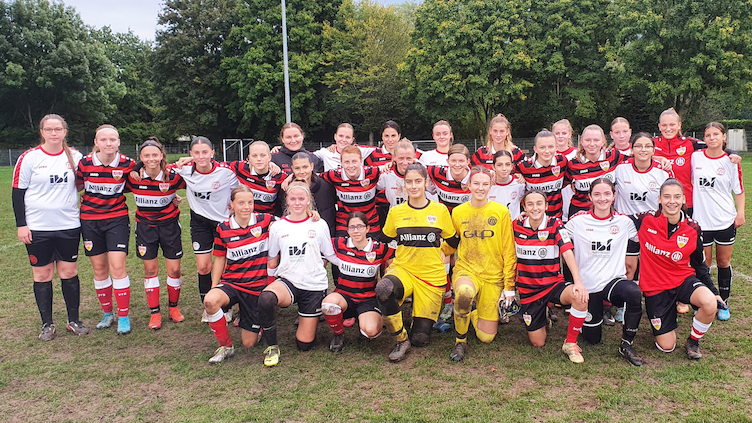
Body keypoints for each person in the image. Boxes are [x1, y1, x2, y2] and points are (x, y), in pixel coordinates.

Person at [13, 114, 88, 340]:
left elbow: (86, 183)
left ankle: (73, 320)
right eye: (49, 129)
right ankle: (47, 324)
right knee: (43, 274)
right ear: (42, 132)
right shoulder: (29, 158)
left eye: (58, 129)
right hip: (38, 228)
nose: (53, 133)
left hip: (69, 225)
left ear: (65, 131)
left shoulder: (75, 156)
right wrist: (22, 225)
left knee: (69, 272)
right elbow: (18, 193)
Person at [631, 179, 724, 359]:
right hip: (655, 288)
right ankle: (667, 318)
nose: (671, 201)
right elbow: (614, 221)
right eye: (666, 197)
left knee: (709, 302)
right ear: (659, 199)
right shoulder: (644, 220)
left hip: (683, 280)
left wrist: (713, 291)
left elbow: (699, 264)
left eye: (676, 197)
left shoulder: (693, 228)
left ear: (683, 200)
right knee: (667, 346)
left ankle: (693, 341)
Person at [375, 163, 457, 362]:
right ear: (404, 184)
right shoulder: (396, 212)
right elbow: (384, 239)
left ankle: (417, 319)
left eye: (418, 181)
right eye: (409, 182)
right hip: (404, 269)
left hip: (431, 276)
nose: (413, 186)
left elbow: (453, 240)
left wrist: (442, 253)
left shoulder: (440, 210)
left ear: (426, 183)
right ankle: (401, 339)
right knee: (384, 289)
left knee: (421, 339)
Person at [258, 182, 340, 366]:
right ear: (286, 200)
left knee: (304, 344)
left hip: (314, 285)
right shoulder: (278, 226)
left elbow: (330, 254)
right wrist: (269, 282)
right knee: (266, 298)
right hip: (288, 281)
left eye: (301, 198)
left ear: (309, 200)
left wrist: (356, 263)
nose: (297, 202)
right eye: (292, 198)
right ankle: (272, 347)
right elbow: (272, 258)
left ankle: (311, 318)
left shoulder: (319, 224)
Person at [565, 178, 645, 366]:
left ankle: (627, 343)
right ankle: (591, 317)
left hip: (613, 282)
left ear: (614, 196)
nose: (602, 198)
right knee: (592, 340)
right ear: (590, 197)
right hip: (587, 287)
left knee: (633, 292)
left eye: (607, 194)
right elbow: (556, 236)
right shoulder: (578, 221)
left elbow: (645, 236)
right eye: (597, 194)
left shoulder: (624, 222)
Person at [441, 167, 516, 361]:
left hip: (493, 276)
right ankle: (460, 341)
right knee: (465, 293)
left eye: (485, 184)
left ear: (491, 186)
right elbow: (452, 242)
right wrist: (437, 253)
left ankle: (471, 312)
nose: (480, 188)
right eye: (476, 183)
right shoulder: (458, 212)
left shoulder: (501, 212)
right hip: (467, 270)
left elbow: (509, 249)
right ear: (468, 186)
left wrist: (509, 286)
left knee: (486, 337)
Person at [513, 190, 589, 363]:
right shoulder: (515, 225)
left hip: (552, 284)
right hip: (528, 290)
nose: (535, 208)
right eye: (530, 204)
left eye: (539, 203)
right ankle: (544, 313)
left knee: (581, 297)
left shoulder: (555, 224)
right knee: (538, 343)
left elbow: (567, 252)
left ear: (546, 206)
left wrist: (578, 282)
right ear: (524, 206)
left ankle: (570, 343)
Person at [202, 186, 276, 363]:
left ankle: (255, 324)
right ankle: (226, 346)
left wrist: (312, 215)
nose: (246, 207)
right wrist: (214, 286)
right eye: (241, 203)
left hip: (256, 288)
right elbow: (219, 258)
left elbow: (293, 222)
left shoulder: (265, 220)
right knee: (210, 301)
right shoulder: (223, 228)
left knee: (249, 343)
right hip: (232, 283)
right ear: (231, 205)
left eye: (250, 202)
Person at [76, 124, 136, 334]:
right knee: (100, 269)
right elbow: (75, 186)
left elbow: (148, 177)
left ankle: (124, 316)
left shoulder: (129, 164)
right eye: (104, 140)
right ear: (96, 143)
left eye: (112, 140)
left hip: (116, 220)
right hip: (90, 221)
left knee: (118, 267)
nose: (108, 143)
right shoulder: (84, 164)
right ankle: (107, 313)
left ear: (118, 142)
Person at [174, 137, 240, 321]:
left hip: (223, 223)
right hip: (200, 222)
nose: (201, 156)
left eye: (205, 152)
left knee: (226, 266)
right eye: (196, 153)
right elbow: (155, 164)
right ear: (190, 155)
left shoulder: (226, 172)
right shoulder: (184, 170)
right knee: (204, 267)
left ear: (212, 153)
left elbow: (240, 185)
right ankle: (208, 307)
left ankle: (226, 306)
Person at [126, 138, 187, 330]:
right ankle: (155, 313)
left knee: (174, 270)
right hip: (145, 227)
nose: (151, 159)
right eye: (147, 156)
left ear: (161, 156)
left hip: (169, 226)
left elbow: (196, 174)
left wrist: (176, 200)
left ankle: (173, 309)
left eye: (155, 155)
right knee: (150, 270)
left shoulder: (173, 176)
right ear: (141, 158)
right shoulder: (133, 177)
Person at [691, 122, 745, 320]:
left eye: (716, 134)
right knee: (704, 264)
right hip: (701, 222)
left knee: (723, 261)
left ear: (724, 137)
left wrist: (741, 213)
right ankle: (703, 301)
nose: (711, 138)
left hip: (724, 220)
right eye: (708, 135)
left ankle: (723, 301)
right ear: (703, 138)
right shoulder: (695, 157)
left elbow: (739, 190)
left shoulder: (731, 161)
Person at [322, 212, 394, 352]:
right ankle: (338, 335)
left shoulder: (379, 248)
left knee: (371, 332)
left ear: (367, 228)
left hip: (368, 300)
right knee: (328, 304)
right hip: (344, 297)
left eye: (360, 226)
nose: (356, 231)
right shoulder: (340, 243)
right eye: (352, 227)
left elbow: (395, 258)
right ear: (347, 230)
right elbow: (318, 240)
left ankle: (370, 318)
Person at [613, 133, 671, 280]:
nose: (643, 150)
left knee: (653, 265)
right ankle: (627, 301)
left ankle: (655, 295)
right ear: (632, 150)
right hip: (627, 224)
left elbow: (670, 200)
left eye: (647, 146)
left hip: (653, 224)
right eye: (638, 146)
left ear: (653, 150)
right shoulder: (620, 169)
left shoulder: (663, 171)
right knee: (628, 267)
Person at [320, 146, 382, 237]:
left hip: (370, 223)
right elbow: (313, 177)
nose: (351, 166)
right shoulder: (334, 175)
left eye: (354, 161)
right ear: (341, 162)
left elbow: (391, 169)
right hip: (344, 224)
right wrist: (293, 176)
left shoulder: (372, 173)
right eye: (346, 162)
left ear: (361, 161)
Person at [565, 124, 624, 217]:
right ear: (582, 142)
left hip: (606, 213)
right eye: (588, 140)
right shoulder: (573, 164)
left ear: (603, 142)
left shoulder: (613, 156)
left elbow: (637, 159)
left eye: (596, 140)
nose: (592, 144)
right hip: (580, 213)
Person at [515, 131, 568, 219]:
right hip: (531, 217)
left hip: (555, 218)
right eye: (542, 147)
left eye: (551, 147)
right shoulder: (524, 166)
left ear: (556, 148)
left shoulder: (562, 161)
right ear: (535, 149)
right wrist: (517, 174)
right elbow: (508, 172)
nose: (547, 151)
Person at [229, 141, 287, 216]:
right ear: (249, 158)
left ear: (269, 157)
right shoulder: (240, 168)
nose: (259, 159)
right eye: (254, 156)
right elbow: (216, 166)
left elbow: (297, 177)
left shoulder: (279, 176)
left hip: (268, 219)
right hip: (245, 217)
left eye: (263, 155)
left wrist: (289, 178)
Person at [426, 143, 472, 213]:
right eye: (453, 161)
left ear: (468, 162)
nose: (457, 165)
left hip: (468, 219)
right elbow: (420, 169)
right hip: (445, 218)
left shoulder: (475, 176)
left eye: (461, 161)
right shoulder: (436, 172)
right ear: (447, 161)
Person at [375, 139, 419, 210]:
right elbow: (374, 188)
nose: (405, 163)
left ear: (414, 157)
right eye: (401, 158)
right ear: (394, 157)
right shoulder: (387, 174)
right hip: (396, 217)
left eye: (408, 158)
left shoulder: (421, 174)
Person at [488, 150, 526, 219]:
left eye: (507, 165)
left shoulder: (518, 183)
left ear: (512, 166)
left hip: (512, 227)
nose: (504, 169)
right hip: (493, 226)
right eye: (499, 165)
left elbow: (528, 201)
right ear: (493, 167)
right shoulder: (488, 184)